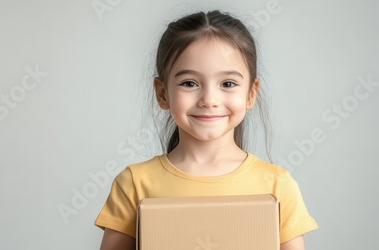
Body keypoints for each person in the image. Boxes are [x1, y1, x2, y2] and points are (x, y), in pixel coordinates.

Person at [95, 10, 318, 250]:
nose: (209, 99)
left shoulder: (277, 186)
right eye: (189, 83)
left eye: (228, 84)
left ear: (251, 94)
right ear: (162, 93)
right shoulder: (134, 184)